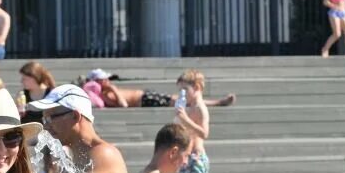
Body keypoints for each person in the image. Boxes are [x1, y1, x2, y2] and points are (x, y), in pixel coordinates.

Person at [87, 68, 236, 109]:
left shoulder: (107, 92)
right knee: (179, 101)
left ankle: (215, 102)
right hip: (145, 100)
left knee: (177, 99)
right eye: (104, 79)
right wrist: (113, 90)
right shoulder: (106, 95)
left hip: (146, 95)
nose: (108, 80)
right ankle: (217, 102)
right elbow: (124, 105)